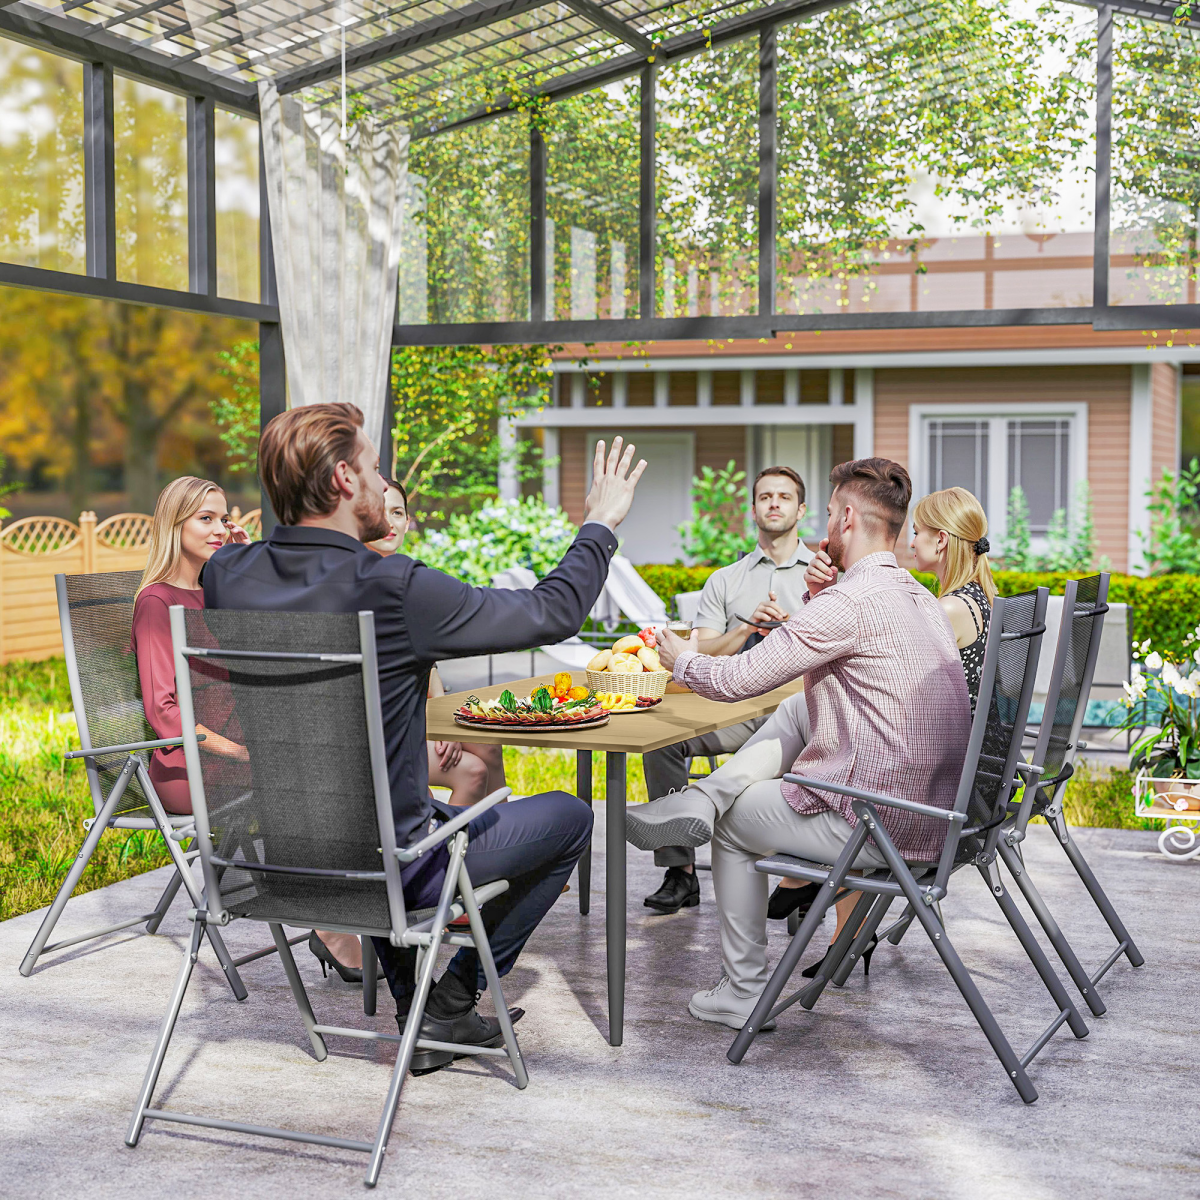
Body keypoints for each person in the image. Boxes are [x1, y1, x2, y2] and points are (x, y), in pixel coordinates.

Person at [203, 402, 645, 1073]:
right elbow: (553, 611)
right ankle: (453, 1001)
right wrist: (600, 524)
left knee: (385, 815)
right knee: (570, 817)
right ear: (344, 480)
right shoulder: (395, 588)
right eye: (375, 469)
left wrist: (251, 548)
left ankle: (419, 1009)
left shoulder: (226, 575)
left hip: (284, 862)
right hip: (391, 866)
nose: (383, 484)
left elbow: (248, 564)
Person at [623, 458, 972, 1030]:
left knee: (733, 824)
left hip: (882, 820)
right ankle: (703, 796)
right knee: (797, 707)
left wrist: (681, 659)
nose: (825, 525)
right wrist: (819, 596)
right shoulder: (915, 594)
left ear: (847, 519)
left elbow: (737, 681)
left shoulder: (849, 602)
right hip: (935, 810)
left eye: (830, 513)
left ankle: (743, 991)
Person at [640, 465, 813, 916]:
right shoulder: (725, 579)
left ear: (801, 509)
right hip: (733, 712)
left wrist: (791, 630)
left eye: (784, 496)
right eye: (765, 496)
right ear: (753, 509)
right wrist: (745, 628)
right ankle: (680, 871)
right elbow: (698, 652)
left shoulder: (821, 577)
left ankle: (803, 879)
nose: (774, 503)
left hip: (800, 714)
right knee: (660, 740)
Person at [371, 477, 507, 805]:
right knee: (472, 769)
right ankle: (444, 840)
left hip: (415, 712)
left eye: (398, 512)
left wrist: (443, 720)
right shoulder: (363, 582)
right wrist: (433, 729)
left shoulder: (410, 579)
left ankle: (501, 832)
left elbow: (422, 664)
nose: (391, 522)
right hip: (383, 726)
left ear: (408, 522)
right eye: (380, 512)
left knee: (488, 744)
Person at [130, 477, 251, 816]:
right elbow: (161, 710)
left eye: (223, 520)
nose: (220, 530)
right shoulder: (157, 601)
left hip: (236, 751)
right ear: (175, 524)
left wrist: (245, 567)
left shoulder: (215, 593)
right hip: (191, 769)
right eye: (206, 518)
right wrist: (239, 753)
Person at [908, 486, 995, 711]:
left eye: (916, 533)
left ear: (941, 540)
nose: (912, 543)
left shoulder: (950, 608)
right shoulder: (976, 596)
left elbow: (908, 679)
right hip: (979, 731)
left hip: (955, 732)